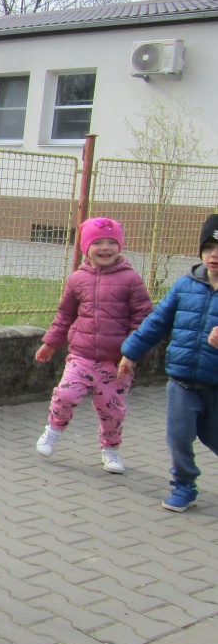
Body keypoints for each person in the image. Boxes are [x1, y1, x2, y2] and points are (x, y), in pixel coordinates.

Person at [34, 218, 151, 473]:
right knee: (65, 395)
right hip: (81, 356)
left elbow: (142, 320)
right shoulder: (77, 279)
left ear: (120, 246)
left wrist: (132, 354)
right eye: (98, 242)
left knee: (112, 410)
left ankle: (111, 451)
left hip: (117, 362)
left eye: (112, 242)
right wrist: (50, 344)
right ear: (87, 248)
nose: (105, 248)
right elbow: (65, 316)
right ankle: (52, 431)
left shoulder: (131, 279)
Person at [120, 214, 218, 512]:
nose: (214, 255)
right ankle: (184, 485)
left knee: (213, 436)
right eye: (209, 247)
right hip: (182, 381)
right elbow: (158, 322)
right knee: (179, 437)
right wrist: (130, 352)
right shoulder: (185, 285)